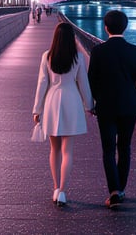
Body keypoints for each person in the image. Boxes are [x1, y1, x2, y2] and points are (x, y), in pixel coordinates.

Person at [88, 9, 136, 210]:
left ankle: (113, 191)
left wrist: (97, 100)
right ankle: (121, 189)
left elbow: (92, 80)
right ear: (126, 27)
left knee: (108, 149)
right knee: (125, 147)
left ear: (106, 28)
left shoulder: (98, 51)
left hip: (105, 106)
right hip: (129, 106)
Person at [32, 22, 93, 207]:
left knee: (54, 150)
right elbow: (84, 84)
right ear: (71, 38)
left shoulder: (47, 56)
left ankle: (56, 187)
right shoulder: (78, 58)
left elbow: (42, 84)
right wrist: (89, 105)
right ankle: (64, 192)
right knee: (68, 151)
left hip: (51, 100)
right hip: (71, 101)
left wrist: (37, 109)